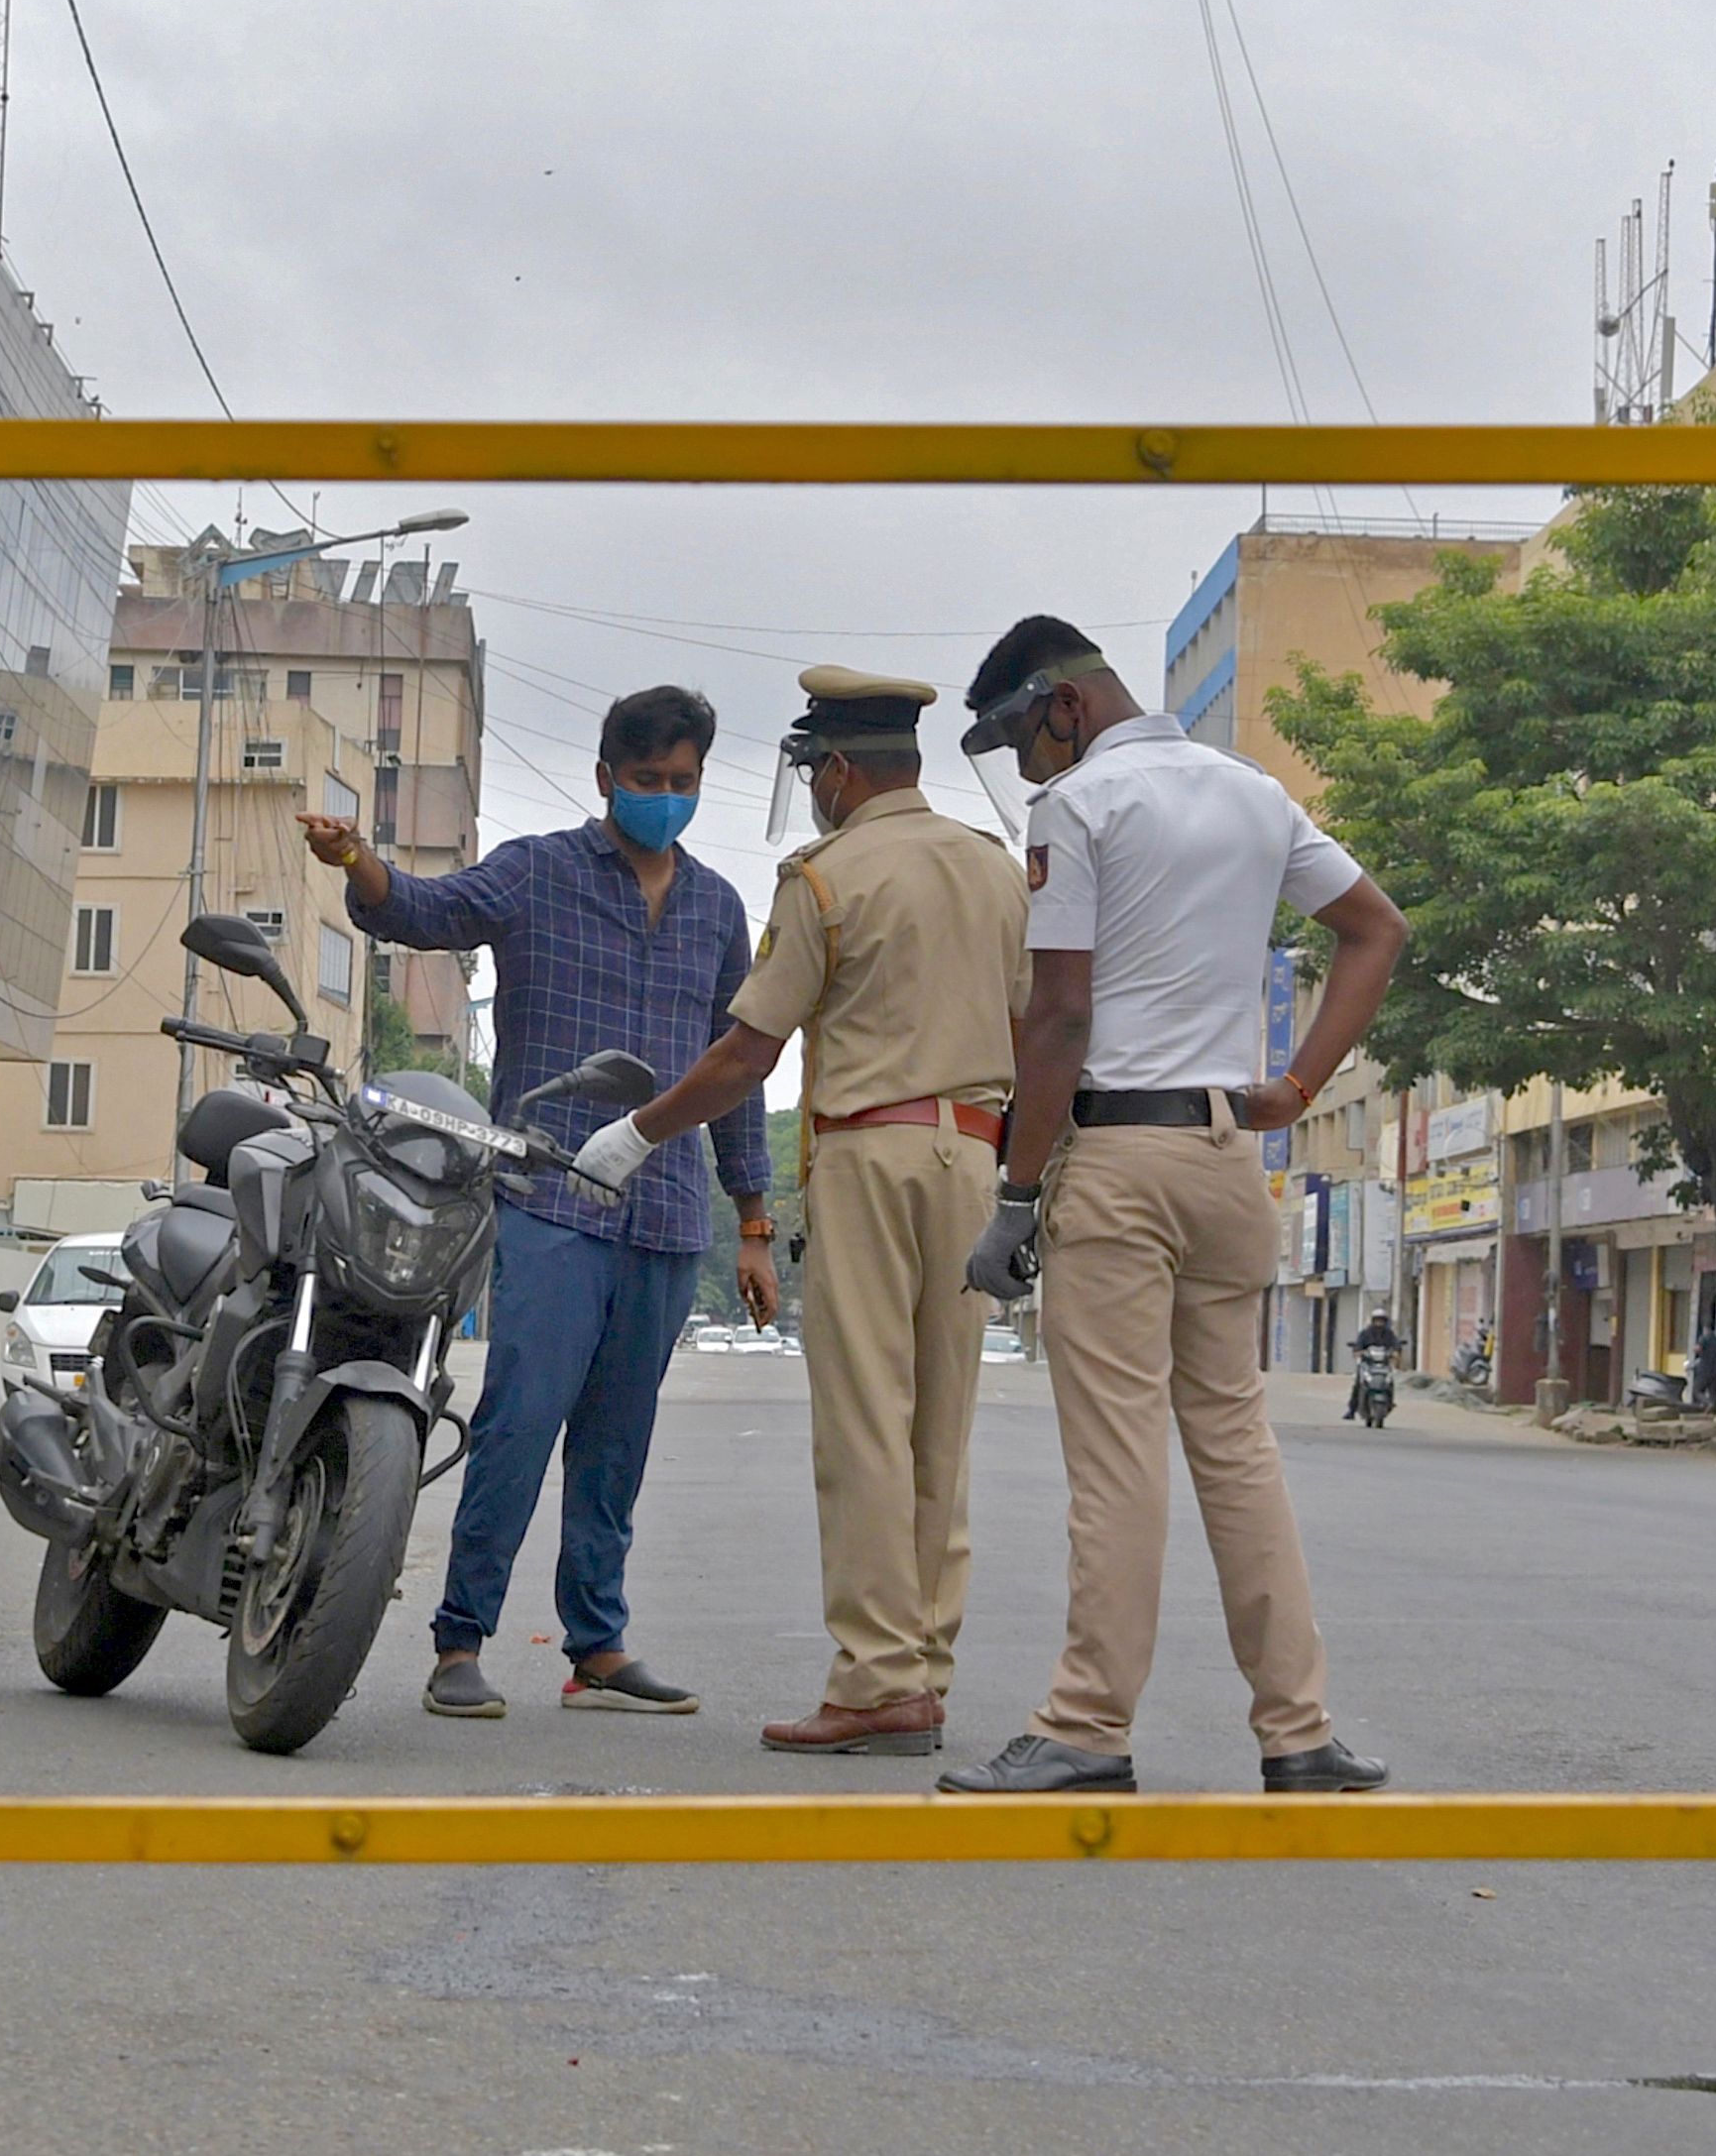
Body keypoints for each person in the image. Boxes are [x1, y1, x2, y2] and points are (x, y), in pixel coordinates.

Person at [938, 617, 1408, 1797]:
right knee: (1236, 1447)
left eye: (1018, 738)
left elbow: (1057, 1018)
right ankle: (1297, 1729)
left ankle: (1088, 1722)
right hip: (1223, 1159)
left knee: (1114, 1456)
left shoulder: (1081, 807)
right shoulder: (1250, 791)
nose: (1026, 769)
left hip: (1116, 1160)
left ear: (1063, 706)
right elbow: (1374, 928)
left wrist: (1017, 1191)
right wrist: (1297, 1085)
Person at [298, 685, 775, 1721]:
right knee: (520, 1420)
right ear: (605, 779)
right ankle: (459, 1641)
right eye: (647, 782)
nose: (665, 799)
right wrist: (355, 860)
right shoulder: (537, 872)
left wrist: (752, 1224)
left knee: (618, 1441)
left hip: (662, 1216)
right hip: (551, 1201)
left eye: (683, 783)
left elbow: (739, 1065)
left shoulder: (717, 910)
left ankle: (596, 1647)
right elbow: (421, 910)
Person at [590, 670, 1026, 1758]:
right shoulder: (995, 869)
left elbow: (749, 1051)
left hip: (871, 1156)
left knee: (865, 1423)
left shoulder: (824, 877)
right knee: (939, 1427)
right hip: (977, 1152)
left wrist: (640, 1131)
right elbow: (1047, 1023)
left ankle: (875, 1680)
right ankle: (920, 1668)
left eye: (814, 777)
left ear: (834, 769)